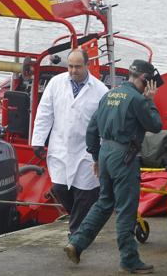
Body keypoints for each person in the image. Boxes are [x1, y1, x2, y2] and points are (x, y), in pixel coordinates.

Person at [64, 60, 163, 274]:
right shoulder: (138, 99)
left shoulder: (108, 95)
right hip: (124, 157)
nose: (151, 88)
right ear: (145, 80)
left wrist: (96, 157)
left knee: (104, 203)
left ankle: (77, 242)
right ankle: (129, 259)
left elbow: (91, 130)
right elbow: (155, 126)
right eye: (150, 84)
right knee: (126, 209)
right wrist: (150, 101)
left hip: (106, 153)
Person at [31, 49, 109, 234]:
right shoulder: (56, 83)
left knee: (85, 193)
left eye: (78, 67)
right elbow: (45, 113)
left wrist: (103, 154)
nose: (73, 71)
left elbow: (105, 126)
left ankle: (75, 235)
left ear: (87, 65)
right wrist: (38, 140)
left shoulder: (101, 91)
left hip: (86, 151)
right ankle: (80, 225)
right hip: (60, 147)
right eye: (70, 66)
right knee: (59, 188)